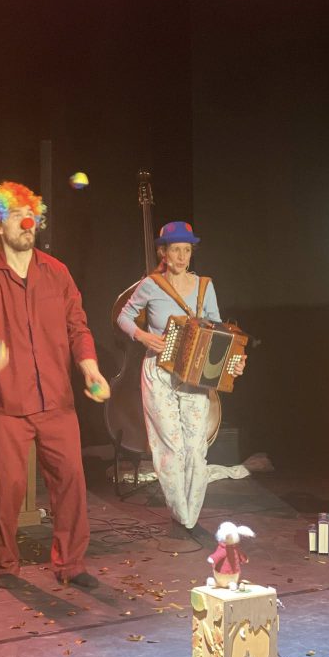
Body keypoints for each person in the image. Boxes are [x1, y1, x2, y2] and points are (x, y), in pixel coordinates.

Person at [0, 181, 110, 589]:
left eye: (31, 216)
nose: (27, 224)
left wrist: (89, 367)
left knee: (71, 482)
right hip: (7, 403)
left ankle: (71, 564)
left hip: (57, 400)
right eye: (16, 216)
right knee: (6, 489)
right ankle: (5, 563)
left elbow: (78, 326)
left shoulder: (57, 272)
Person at [116, 221, 246, 539]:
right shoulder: (151, 284)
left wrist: (233, 361)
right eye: (176, 249)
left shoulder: (204, 286)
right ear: (163, 252)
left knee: (196, 448)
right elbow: (123, 316)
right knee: (170, 447)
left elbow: (219, 331)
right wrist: (143, 336)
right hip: (159, 372)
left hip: (194, 377)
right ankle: (182, 514)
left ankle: (191, 515)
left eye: (187, 250)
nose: (182, 256)